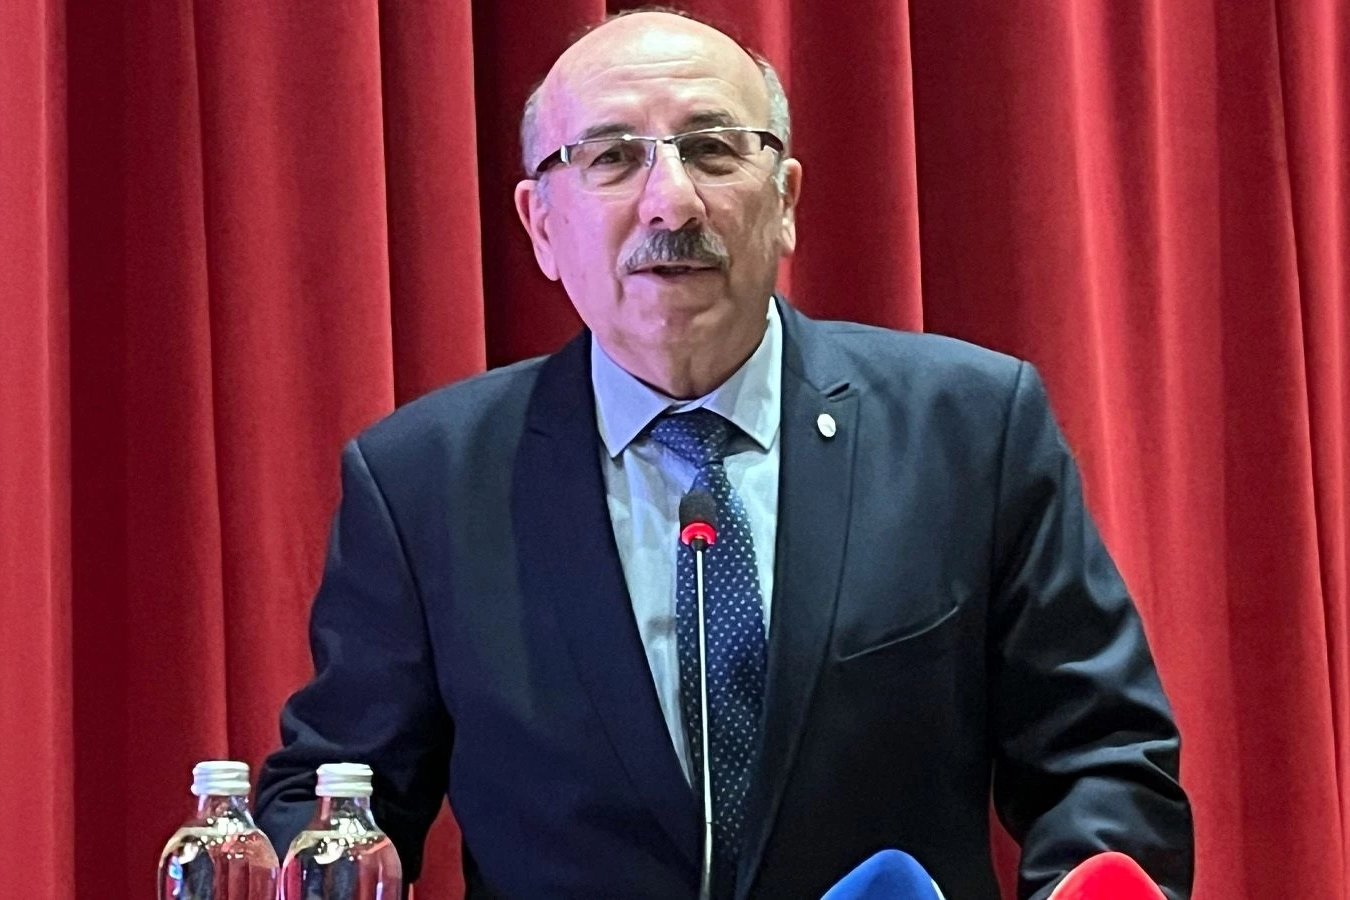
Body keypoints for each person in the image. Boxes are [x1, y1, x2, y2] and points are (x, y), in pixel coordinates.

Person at [256, 9, 1193, 899]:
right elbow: (340, 794)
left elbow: (1100, 757)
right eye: (612, 158)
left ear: (784, 203)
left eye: (712, 149)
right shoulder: (422, 483)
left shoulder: (970, 430)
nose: (672, 201)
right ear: (542, 225)